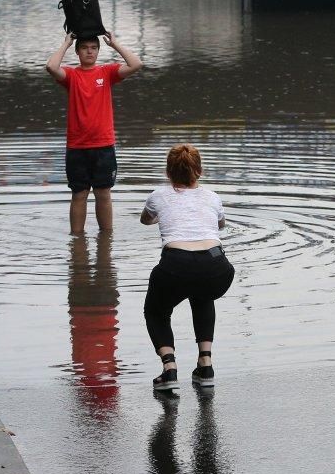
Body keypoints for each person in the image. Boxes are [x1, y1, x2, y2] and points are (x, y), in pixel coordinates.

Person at [140, 144, 234, 391]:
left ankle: (169, 369)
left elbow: (145, 219)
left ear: (168, 173)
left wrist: (162, 215)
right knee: (202, 293)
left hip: (175, 265)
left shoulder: (158, 196)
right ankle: (206, 365)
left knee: (156, 311)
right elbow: (220, 225)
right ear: (199, 172)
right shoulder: (213, 197)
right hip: (217, 267)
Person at [45, 31, 143, 235]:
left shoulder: (106, 73)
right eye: (84, 48)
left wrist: (115, 44)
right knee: (79, 195)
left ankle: (106, 239)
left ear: (98, 51)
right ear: (78, 51)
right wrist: (65, 43)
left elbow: (136, 64)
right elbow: (51, 67)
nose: (89, 52)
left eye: (93, 48)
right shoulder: (71, 76)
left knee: (103, 194)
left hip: (103, 145)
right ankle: (76, 238)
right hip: (77, 146)